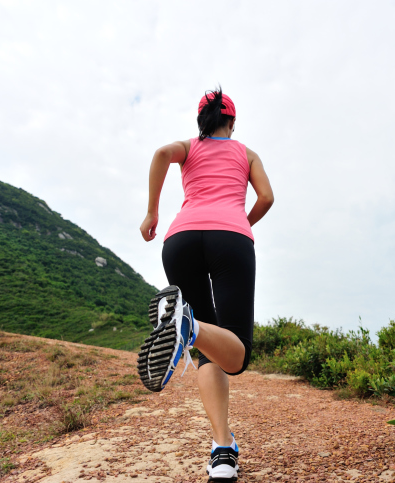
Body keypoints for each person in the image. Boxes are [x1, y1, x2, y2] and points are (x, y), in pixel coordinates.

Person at [137, 88, 273, 481]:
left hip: (179, 240)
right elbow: (266, 196)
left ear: (202, 121)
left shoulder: (188, 147)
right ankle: (188, 326)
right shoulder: (246, 153)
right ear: (231, 122)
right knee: (237, 354)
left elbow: (162, 154)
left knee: (208, 353)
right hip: (229, 238)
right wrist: (241, 221)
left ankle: (223, 450)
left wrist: (152, 212)